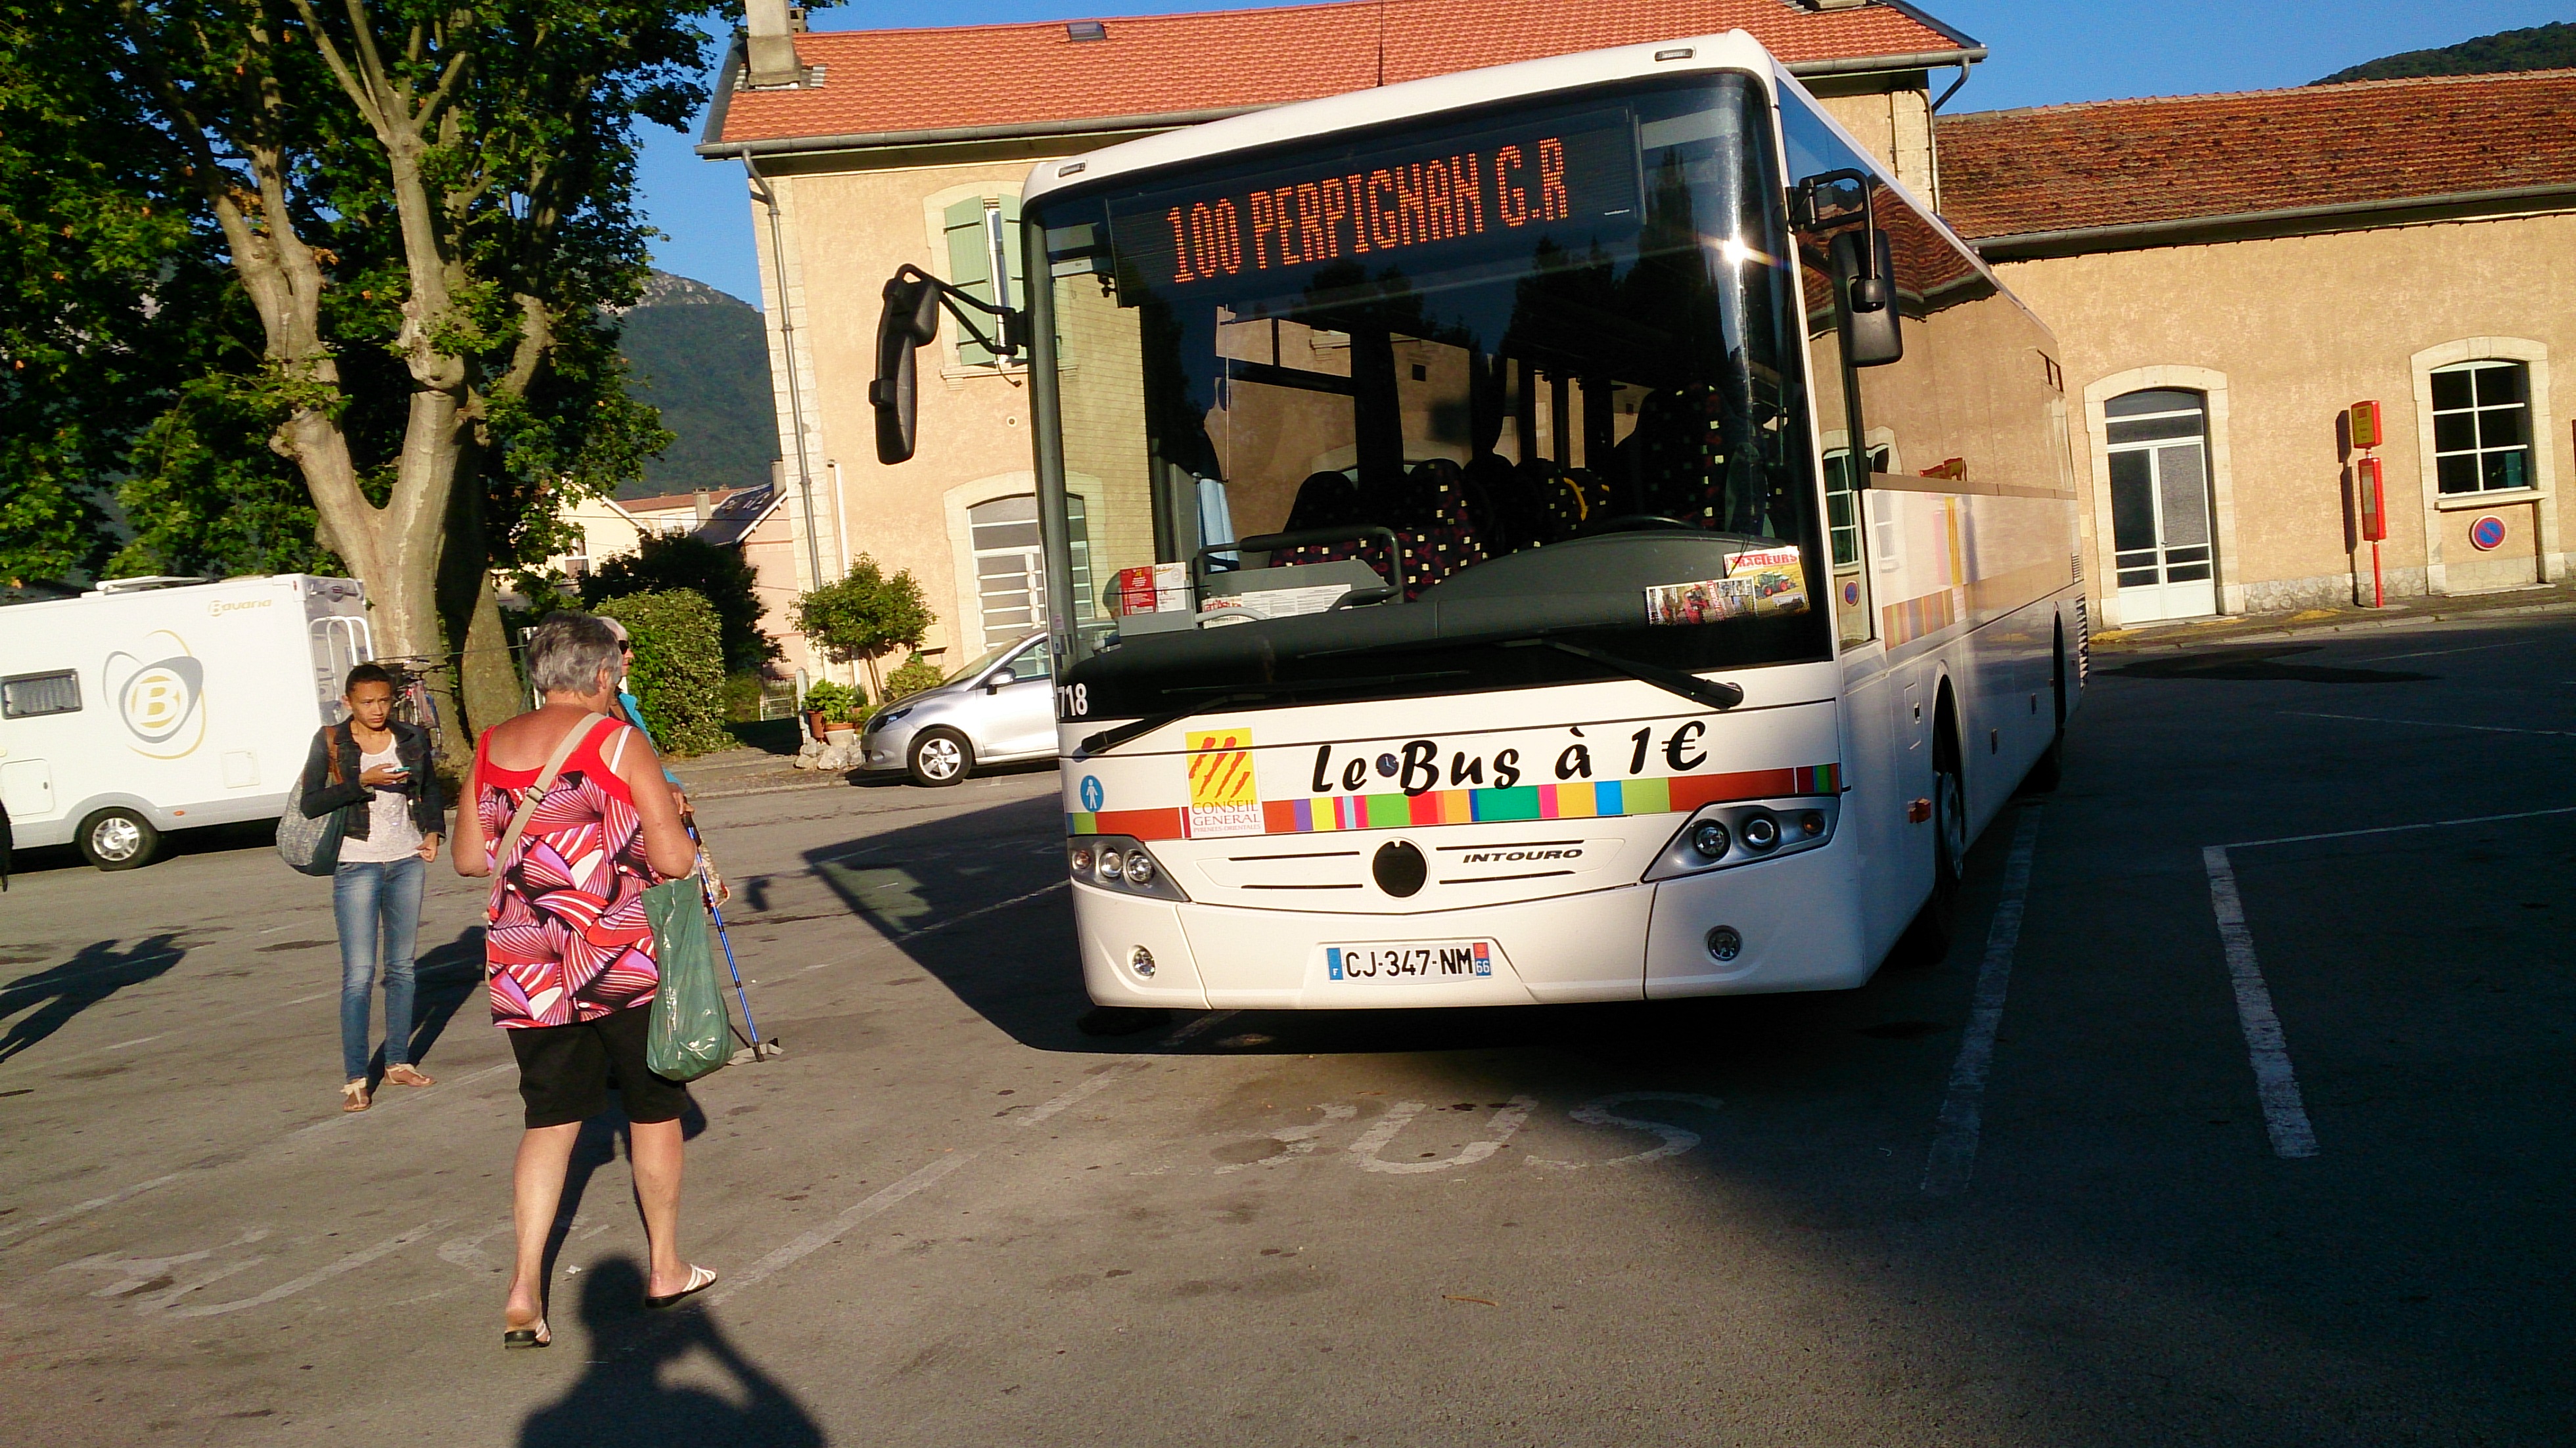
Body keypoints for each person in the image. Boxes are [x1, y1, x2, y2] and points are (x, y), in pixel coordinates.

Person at [451, 612, 714, 1349]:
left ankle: (524, 1285)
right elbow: (669, 861)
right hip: (617, 958)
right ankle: (664, 1265)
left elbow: (472, 859)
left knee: (549, 1119)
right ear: (603, 676)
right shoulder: (620, 740)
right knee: (653, 1107)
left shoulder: (490, 746)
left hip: (527, 961)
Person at [298, 662, 444, 1113]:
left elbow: (431, 790)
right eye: (367, 702)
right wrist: (362, 782)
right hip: (356, 863)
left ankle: (398, 1061)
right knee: (358, 975)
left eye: (384, 700)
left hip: (405, 860)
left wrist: (433, 831)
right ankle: (356, 1078)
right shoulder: (333, 742)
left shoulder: (410, 738)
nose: (378, 709)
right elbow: (310, 804)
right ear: (349, 702)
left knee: (401, 968)